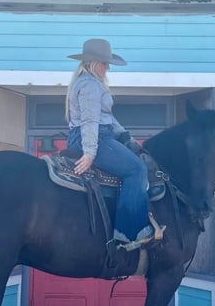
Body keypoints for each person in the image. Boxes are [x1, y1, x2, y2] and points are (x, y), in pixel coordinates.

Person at [65, 38, 156, 248]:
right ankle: (127, 232)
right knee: (136, 170)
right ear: (92, 62)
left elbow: (108, 117)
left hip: (99, 134)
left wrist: (126, 137)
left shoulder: (91, 83)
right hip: (93, 137)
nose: (107, 67)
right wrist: (89, 153)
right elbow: (90, 120)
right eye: (104, 63)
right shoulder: (89, 85)